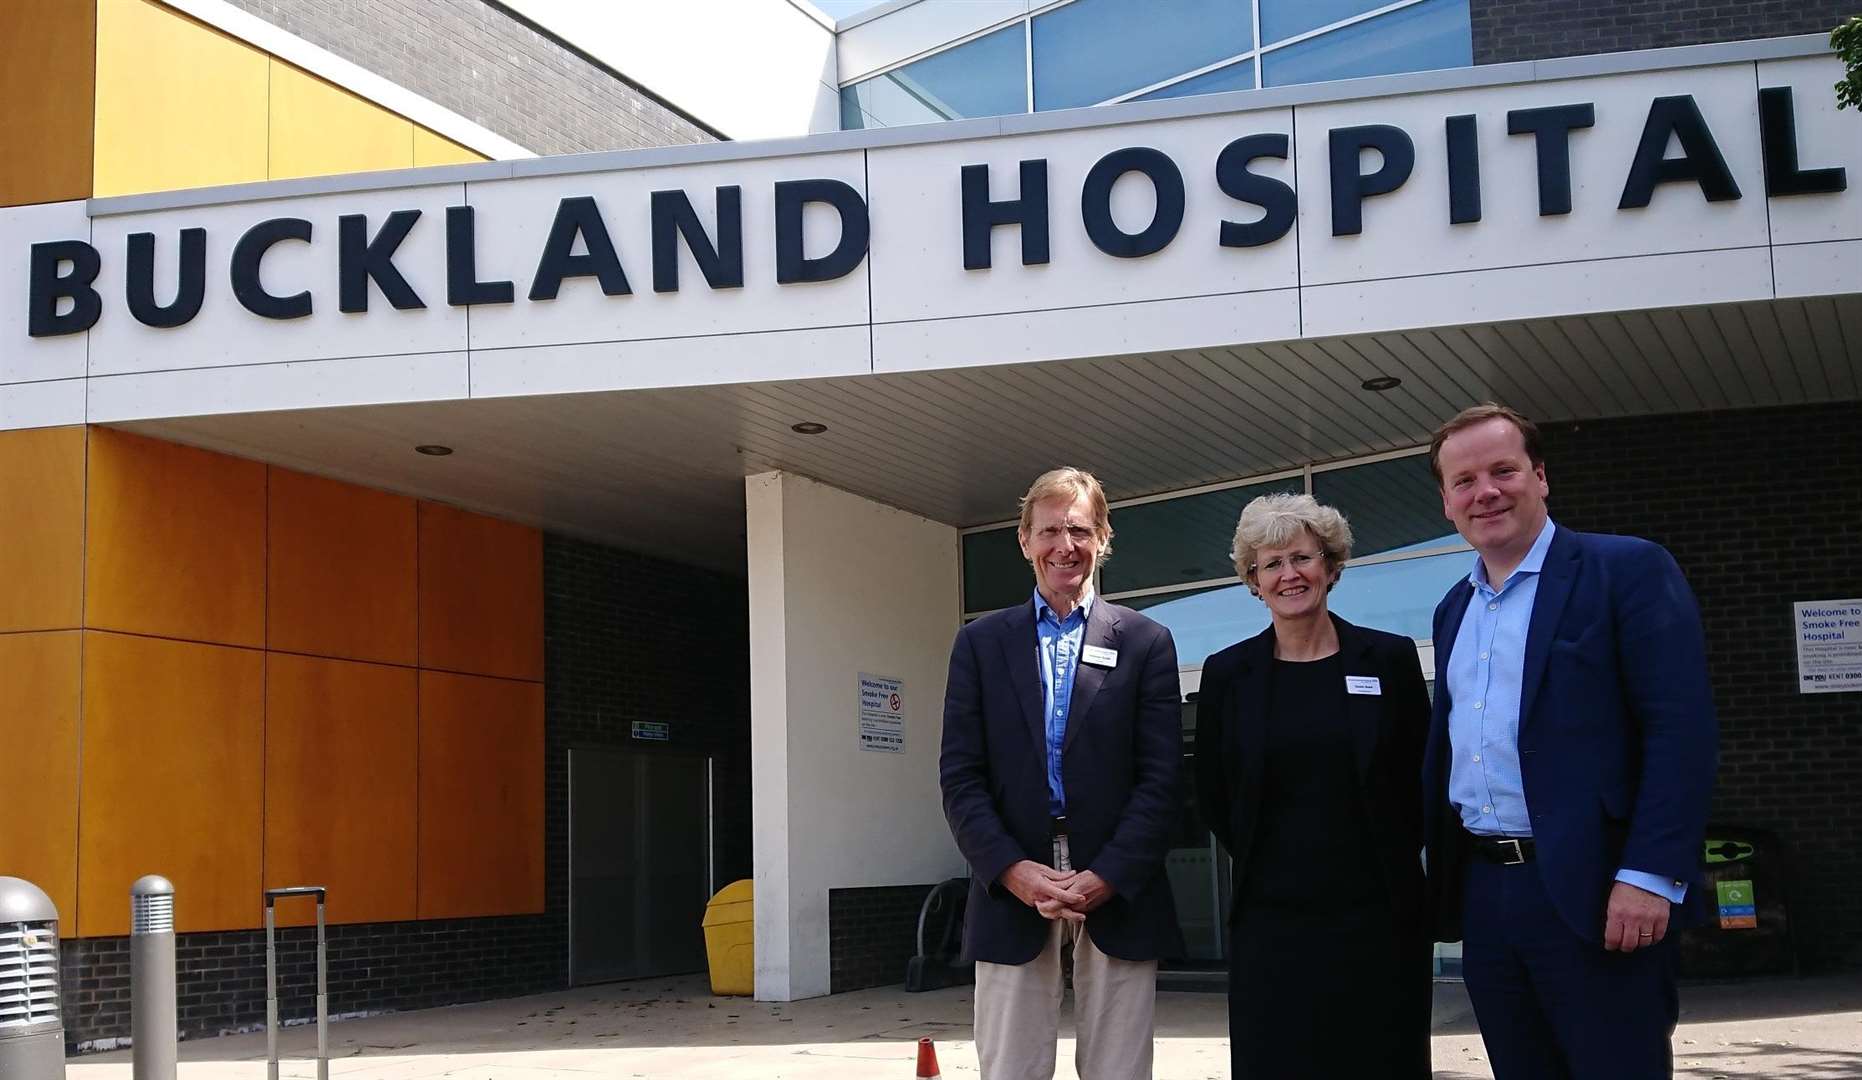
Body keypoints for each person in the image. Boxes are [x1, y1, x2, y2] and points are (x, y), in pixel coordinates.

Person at [1423, 403, 1718, 1079]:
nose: (1485, 491)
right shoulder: (1453, 609)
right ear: (1446, 502)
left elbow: (1681, 731)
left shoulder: (1627, 571)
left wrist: (1650, 874)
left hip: (1598, 890)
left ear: (1541, 477)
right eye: (1464, 481)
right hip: (1487, 897)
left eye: (1503, 470)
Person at [939, 466, 1184, 1080]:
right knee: (1010, 1069)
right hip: (1013, 883)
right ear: (1024, 541)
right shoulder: (980, 643)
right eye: (1049, 530)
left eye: (1078, 529)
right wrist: (1009, 870)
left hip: (1117, 883)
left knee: (1119, 1070)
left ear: (1102, 537)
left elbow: (1161, 778)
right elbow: (960, 776)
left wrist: (1108, 874)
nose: (1063, 546)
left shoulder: (1147, 641)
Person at [1192, 493, 1433, 1079]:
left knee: (1382, 1061)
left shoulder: (1389, 660)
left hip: (1378, 917)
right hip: (1272, 921)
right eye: (1269, 564)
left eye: (1301, 558)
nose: (1288, 575)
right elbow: (1214, 792)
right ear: (1253, 581)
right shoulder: (1228, 675)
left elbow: (1421, 776)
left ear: (1330, 565)